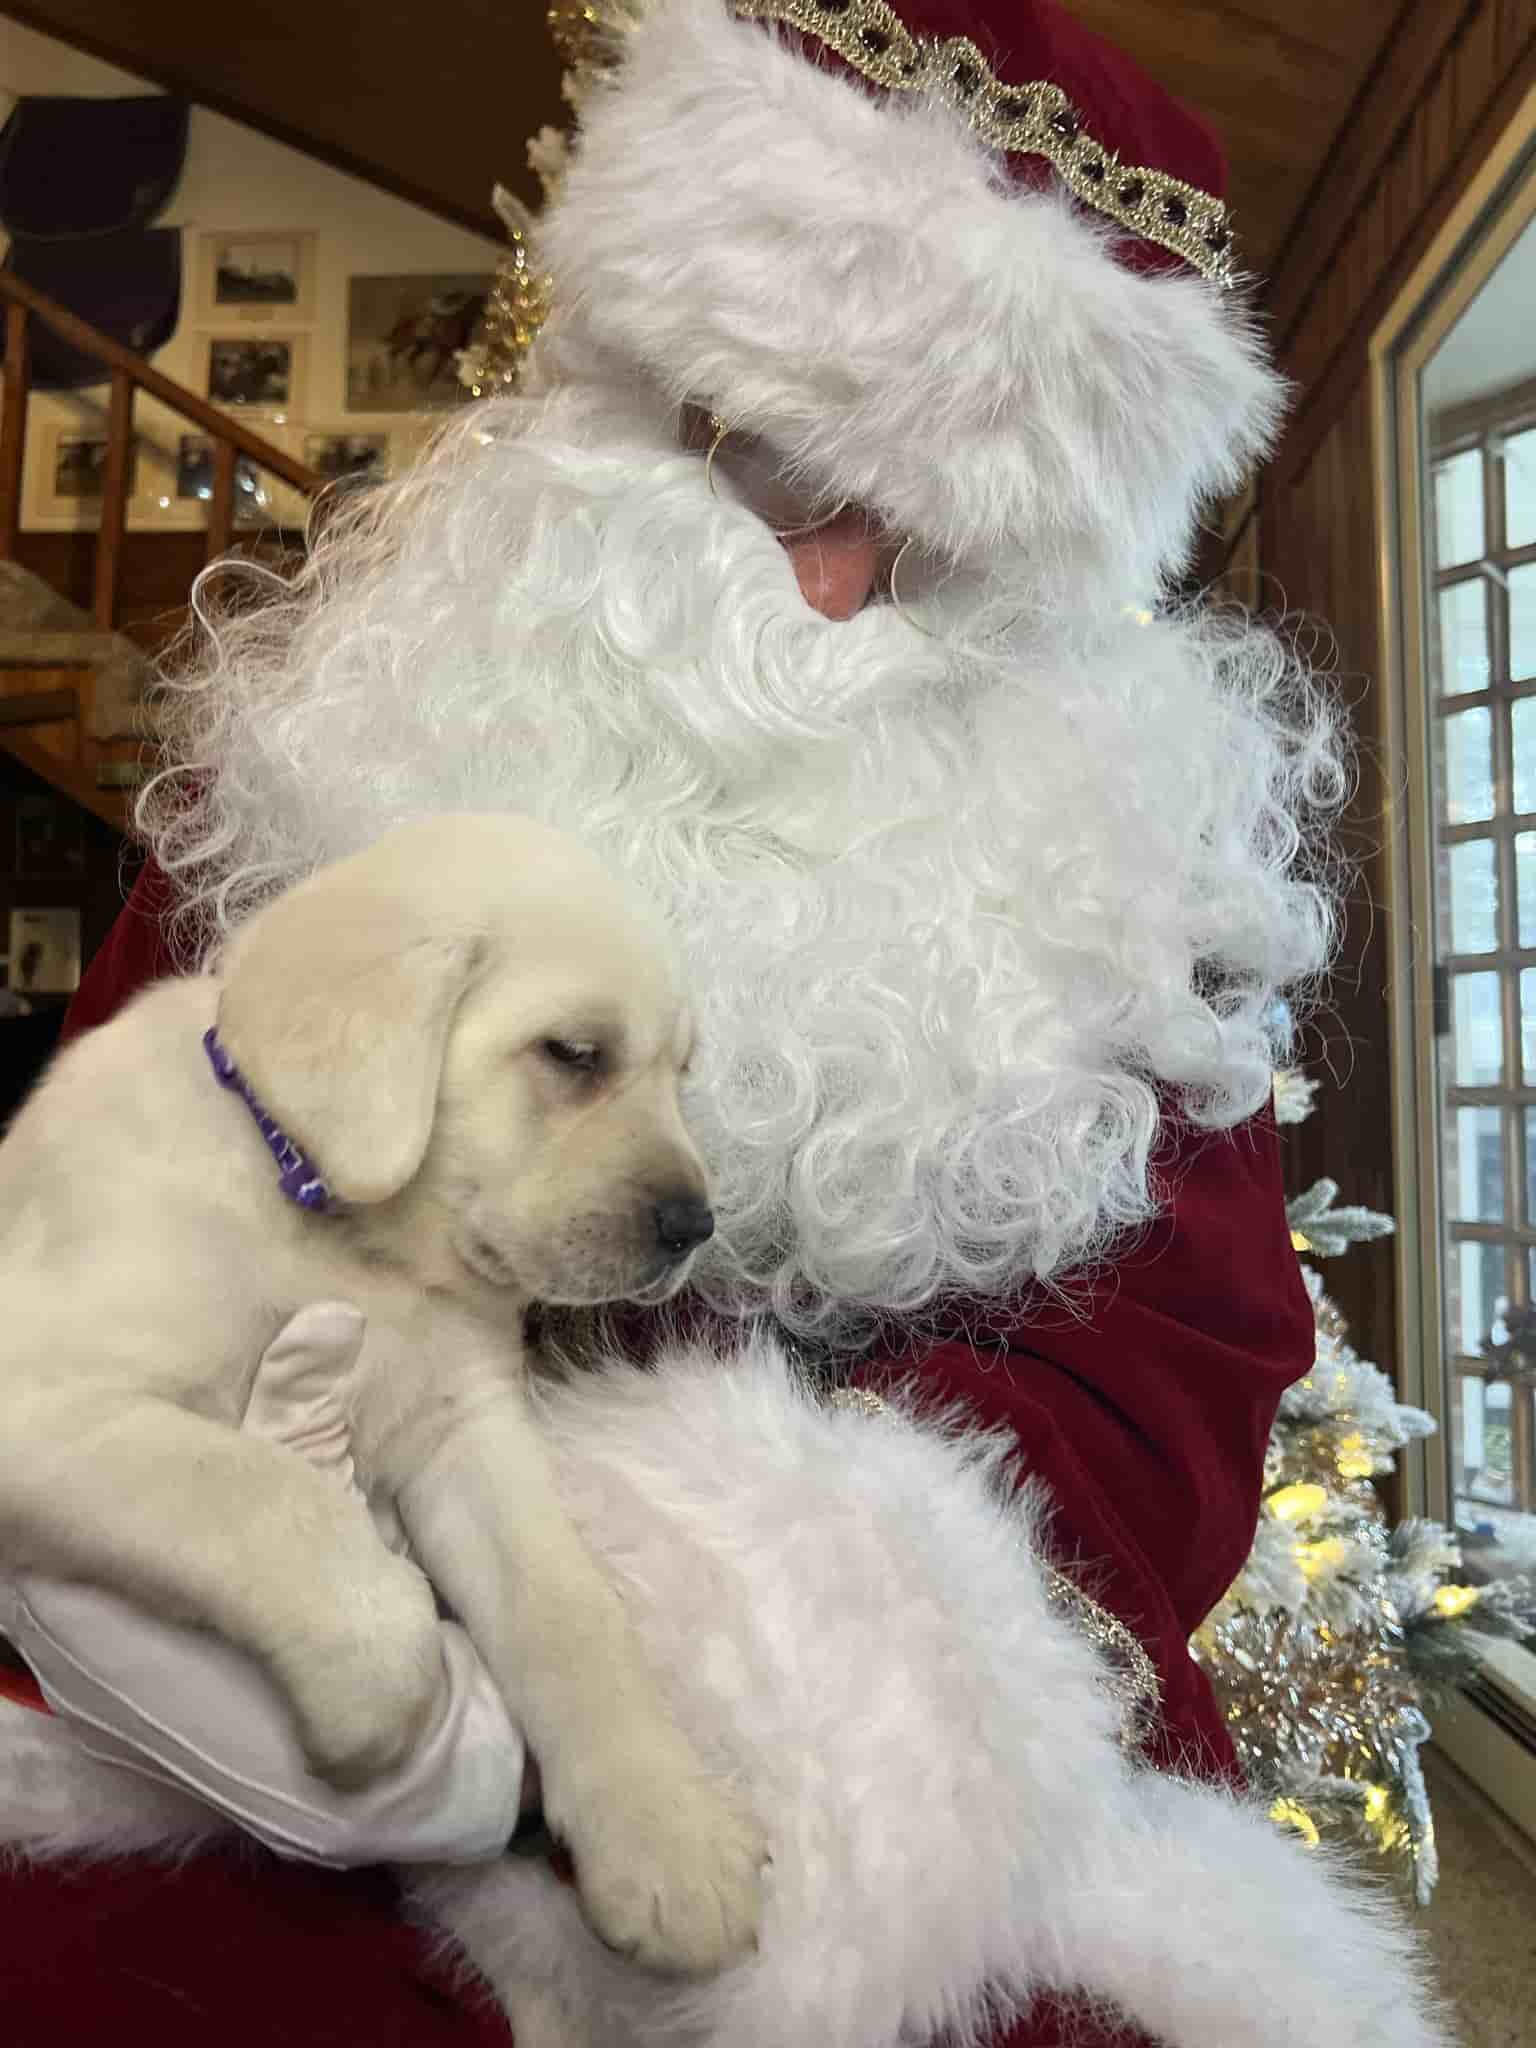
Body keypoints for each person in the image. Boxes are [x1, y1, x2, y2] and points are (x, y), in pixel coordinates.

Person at [0, 0, 1347, 2041]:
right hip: (247, 1693)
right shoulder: (316, 787)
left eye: (945, 550)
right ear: (632, 397)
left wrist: (733, 1590)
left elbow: (1189, 1366)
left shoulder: (1133, 901)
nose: (831, 600)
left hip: (891, 1753)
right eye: (795, 473)